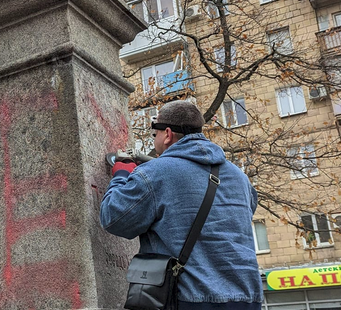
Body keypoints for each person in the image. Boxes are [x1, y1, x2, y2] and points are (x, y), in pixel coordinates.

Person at [100, 100, 263, 310]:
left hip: (189, 298)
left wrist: (122, 175)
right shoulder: (239, 177)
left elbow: (113, 218)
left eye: (154, 134)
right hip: (247, 298)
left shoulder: (156, 172)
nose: (155, 140)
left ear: (167, 134)